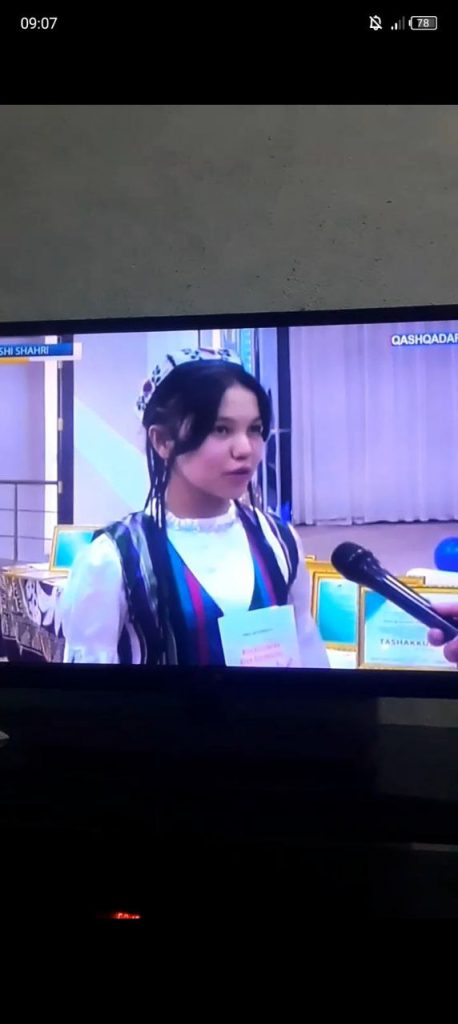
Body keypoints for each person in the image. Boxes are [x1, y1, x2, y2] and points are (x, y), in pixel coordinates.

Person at [60, 347, 329, 668]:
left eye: (254, 429)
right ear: (162, 441)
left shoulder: (280, 539)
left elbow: (307, 648)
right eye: (220, 429)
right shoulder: (112, 558)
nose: (245, 449)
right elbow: (88, 698)